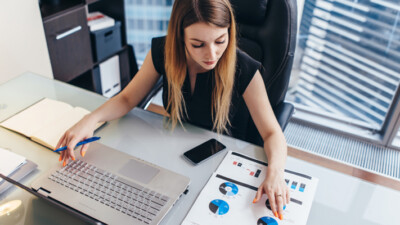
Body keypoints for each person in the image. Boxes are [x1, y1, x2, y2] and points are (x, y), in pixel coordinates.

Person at [56, 0, 289, 220]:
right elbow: (128, 98)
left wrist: (276, 172)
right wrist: (90, 119)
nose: (212, 55)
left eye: (220, 40)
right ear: (180, 36)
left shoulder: (244, 68)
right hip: (175, 156)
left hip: (221, 166)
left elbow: (272, 133)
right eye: (198, 44)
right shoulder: (164, 51)